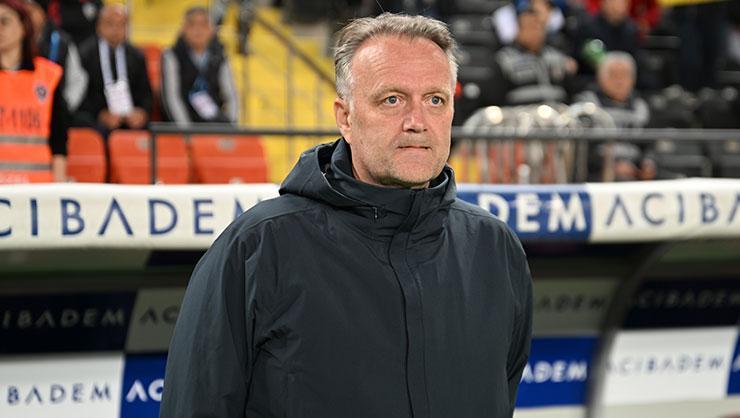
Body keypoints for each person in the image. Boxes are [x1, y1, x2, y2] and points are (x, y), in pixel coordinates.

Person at [161, 13, 533, 418]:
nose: (417, 122)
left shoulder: (495, 250)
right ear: (345, 118)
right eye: (392, 100)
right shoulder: (257, 248)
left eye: (435, 100)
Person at [0, 0, 67, 183]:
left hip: (37, 189)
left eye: (5, 22)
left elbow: (58, 137)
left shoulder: (48, 76)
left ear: (23, 27)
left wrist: (59, 184)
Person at [574, 52, 655, 181]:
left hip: (633, 172)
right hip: (597, 174)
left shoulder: (641, 106)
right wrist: (609, 166)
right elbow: (581, 148)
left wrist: (647, 164)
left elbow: (649, 144)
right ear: (600, 77)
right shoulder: (587, 105)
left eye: (624, 75)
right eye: (613, 75)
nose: (619, 80)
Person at [480, 0, 577, 106]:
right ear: (518, 31)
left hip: (557, 113)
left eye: (539, 27)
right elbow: (494, 101)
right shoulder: (504, 61)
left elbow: (572, 94)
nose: (536, 32)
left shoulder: (558, 58)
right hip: (521, 114)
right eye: (530, 27)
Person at [76, 4, 152, 135]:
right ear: (99, 26)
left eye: (121, 25)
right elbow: (81, 96)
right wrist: (100, 115)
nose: (116, 30)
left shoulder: (136, 56)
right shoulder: (85, 54)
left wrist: (141, 113)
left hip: (130, 118)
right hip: (97, 119)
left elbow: (146, 93)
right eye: (110, 24)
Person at [161, 7, 239, 126]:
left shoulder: (220, 56)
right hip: (183, 126)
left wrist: (231, 125)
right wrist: (186, 130)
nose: (198, 30)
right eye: (192, 24)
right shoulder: (171, 56)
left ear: (212, 30)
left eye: (204, 25)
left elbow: (231, 95)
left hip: (215, 124)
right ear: (183, 29)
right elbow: (172, 97)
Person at [25, 0, 88, 112]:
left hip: (54, 110)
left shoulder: (61, 42)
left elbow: (77, 80)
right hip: (21, 111)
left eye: (31, 11)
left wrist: (65, 107)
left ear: (43, 13)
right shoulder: (12, 43)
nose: (27, 16)